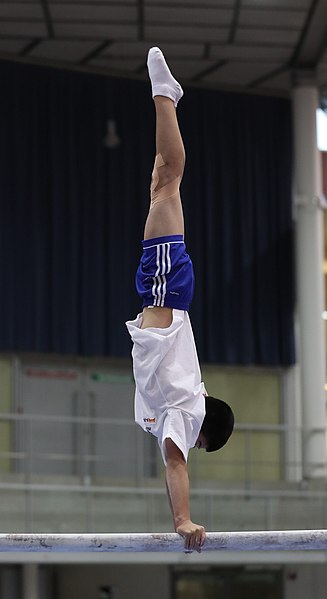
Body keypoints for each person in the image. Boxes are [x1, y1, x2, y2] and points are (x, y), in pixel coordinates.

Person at [126, 47, 234, 553]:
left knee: (163, 180)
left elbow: (176, 450)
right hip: (165, 293)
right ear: (203, 433)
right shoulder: (187, 416)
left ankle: (167, 97)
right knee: (167, 179)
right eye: (200, 444)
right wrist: (184, 520)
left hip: (163, 295)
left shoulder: (187, 405)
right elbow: (176, 461)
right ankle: (165, 95)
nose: (191, 445)